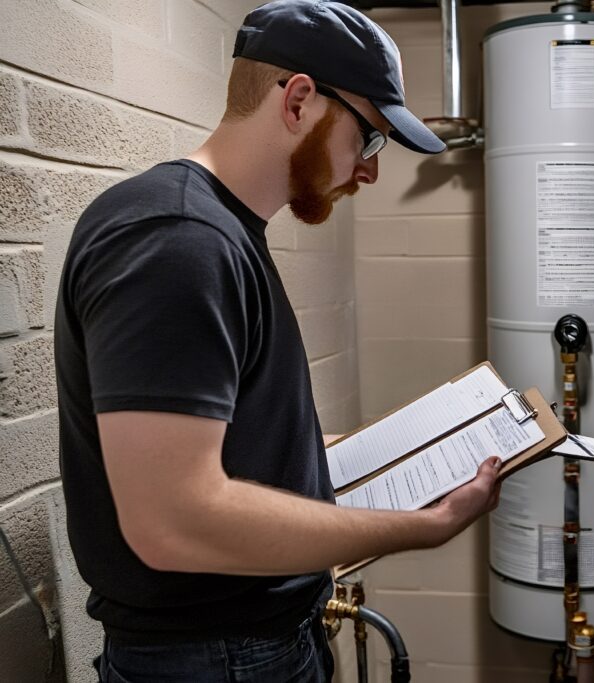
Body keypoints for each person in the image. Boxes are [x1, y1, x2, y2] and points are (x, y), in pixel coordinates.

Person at [54, 2, 501, 681]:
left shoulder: (220, 234)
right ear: (297, 100)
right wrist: (425, 526)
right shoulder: (177, 239)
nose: (370, 171)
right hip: (213, 658)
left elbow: (227, 445)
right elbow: (172, 519)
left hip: (246, 646)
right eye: (370, 139)